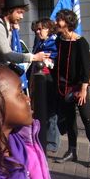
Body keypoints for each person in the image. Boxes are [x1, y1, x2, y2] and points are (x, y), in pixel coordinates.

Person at [53, 9, 90, 167]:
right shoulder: (59, 41)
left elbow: (86, 68)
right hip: (64, 88)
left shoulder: (81, 42)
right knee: (69, 120)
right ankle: (72, 151)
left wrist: (83, 90)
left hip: (79, 87)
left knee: (87, 118)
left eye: (59, 19)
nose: (56, 22)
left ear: (67, 23)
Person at [0, 0, 50, 67]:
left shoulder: (7, 26)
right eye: (19, 12)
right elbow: (7, 54)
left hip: (2, 69)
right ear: (9, 12)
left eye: (22, 13)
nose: (21, 17)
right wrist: (34, 57)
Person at [30, 18, 60, 153]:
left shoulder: (53, 42)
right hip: (38, 80)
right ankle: (42, 138)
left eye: (40, 29)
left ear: (48, 29)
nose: (37, 31)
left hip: (49, 80)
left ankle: (52, 142)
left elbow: (53, 58)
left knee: (51, 112)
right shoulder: (39, 42)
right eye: (36, 29)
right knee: (41, 110)